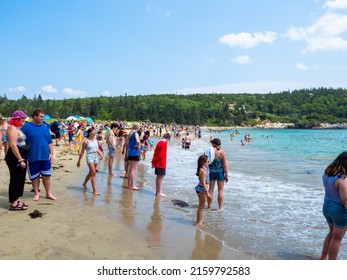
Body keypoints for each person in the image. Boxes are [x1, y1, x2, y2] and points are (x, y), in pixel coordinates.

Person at [21, 109, 56, 201]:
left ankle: (48, 193)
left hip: (45, 156)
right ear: (35, 116)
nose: (42, 118)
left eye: (43, 117)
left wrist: (51, 153)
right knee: (35, 177)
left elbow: (50, 142)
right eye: (41, 116)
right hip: (32, 156)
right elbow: (19, 140)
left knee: (46, 176)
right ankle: (36, 193)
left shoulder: (44, 127)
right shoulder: (26, 127)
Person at [320, 151, 347, 260]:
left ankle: (323, 257)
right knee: (337, 239)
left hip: (327, 207)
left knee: (331, 234)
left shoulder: (327, 173)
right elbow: (345, 199)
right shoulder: (343, 178)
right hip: (339, 210)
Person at [5, 110, 29, 210]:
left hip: (21, 154)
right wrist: (20, 160)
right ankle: (14, 203)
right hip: (15, 156)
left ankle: (16, 199)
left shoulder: (17, 128)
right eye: (22, 118)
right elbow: (13, 145)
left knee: (20, 178)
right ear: (18, 118)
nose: (23, 119)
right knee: (15, 178)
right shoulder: (11, 128)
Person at [76, 127, 103, 195]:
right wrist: (79, 161)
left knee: (91, 173)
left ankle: (84, 184)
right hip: (89, 156)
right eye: (93, 132)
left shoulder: (96, 140)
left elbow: (97, 149)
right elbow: (82, 152)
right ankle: (94, 190)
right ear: (89, 133)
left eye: (95, 132)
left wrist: (101, 155)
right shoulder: (86, 141)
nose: (94, 133)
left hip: (95, 157)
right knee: (93, 172)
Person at [207, 138, 228, 210]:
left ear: (213, 144)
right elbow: (225, 165)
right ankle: (220, 208)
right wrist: (227, 175)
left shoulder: (209, 151)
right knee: (220, 190)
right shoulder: (222, 153)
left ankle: (209, 206)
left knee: (210, 190)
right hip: (220, 173)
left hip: (211, 172)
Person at [151, 132, 171, 197]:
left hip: (158, 163)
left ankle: (158, 191)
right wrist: (154, 161)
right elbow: (161, 155)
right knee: (160, 177)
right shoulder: (164, 144)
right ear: (167, 138)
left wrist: (153, 162)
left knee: (158, 177)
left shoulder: (159, 142)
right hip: (161, 163)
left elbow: (155, 153)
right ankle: (158, 192)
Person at [195, 155, 211, 226]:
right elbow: (204, 183)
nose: (208, 162)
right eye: (208, 161)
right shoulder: (203, 171)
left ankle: (200, 220)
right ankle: (199, 222)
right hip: (202, 189)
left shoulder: (202, 169)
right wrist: (207, 193)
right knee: (201, 206)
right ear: (203, 162)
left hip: (200, 188)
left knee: (201, 206)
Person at [126, 123, 141, 190]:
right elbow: (138, 141)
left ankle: (129, 185)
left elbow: (126, 143)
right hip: (135, 153)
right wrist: (138, 145)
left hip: (130, 152)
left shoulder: (130, 134)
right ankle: (132, 185)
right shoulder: (136, 134)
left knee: (129, 169)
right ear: (137, 127)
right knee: (133, 170)